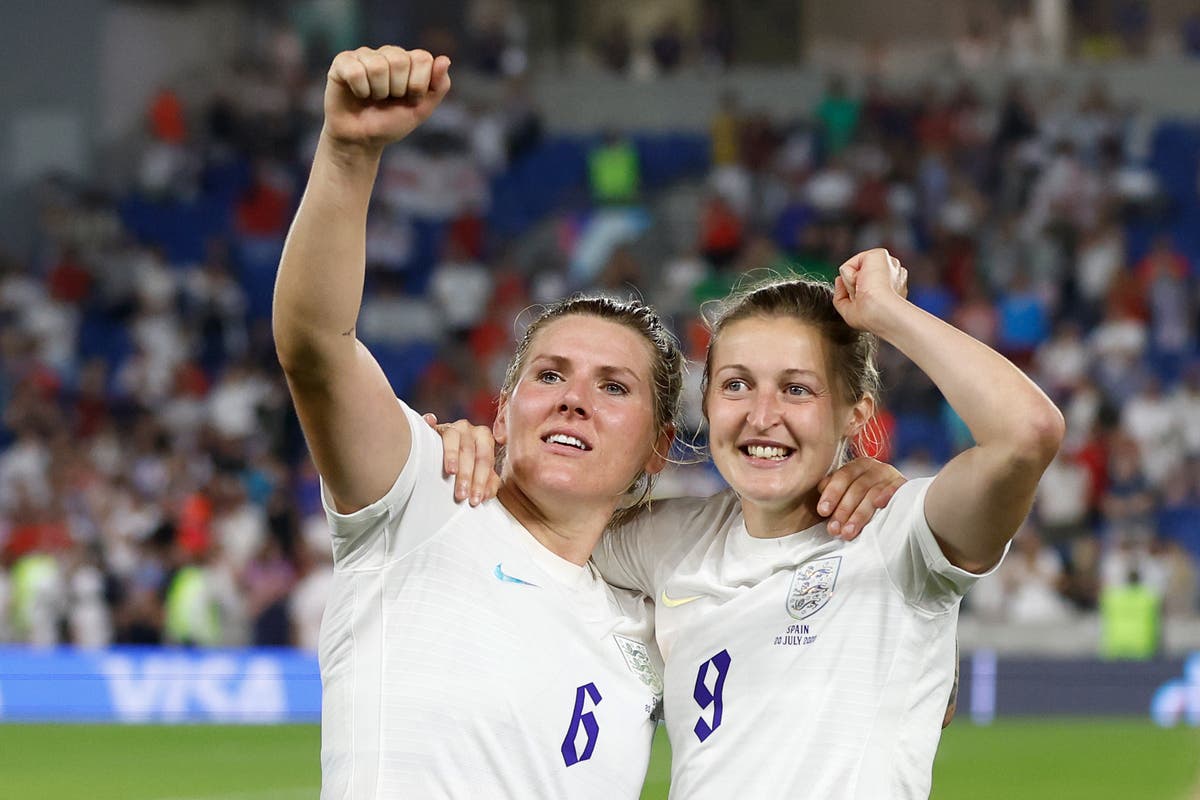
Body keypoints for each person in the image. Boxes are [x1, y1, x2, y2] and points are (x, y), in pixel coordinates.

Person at [273, 45, 899, 798]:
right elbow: (315, 345)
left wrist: (860, 499)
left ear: (657, 446)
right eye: (549, 375)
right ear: (503, 411)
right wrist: (348, 152)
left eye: (613, 387)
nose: (574, 399)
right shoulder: (423, 499)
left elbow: (877, 690)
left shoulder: (658, 612)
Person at [443, 252, 1063, 797]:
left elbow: (1026, 434)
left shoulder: (895, 532)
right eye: (737, 385)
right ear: (706, 404)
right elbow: (534, 521)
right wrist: (462, 451)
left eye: (797, 390)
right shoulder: (663, 541)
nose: (762, 416)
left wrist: (888, 315)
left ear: (856, 414)